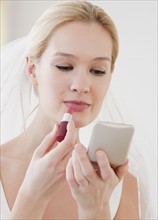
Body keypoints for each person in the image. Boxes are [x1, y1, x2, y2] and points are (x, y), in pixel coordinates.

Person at [0, 1, 140, 219]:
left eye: (97, 70)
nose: (82, 85)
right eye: (64, 66)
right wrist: (32, 196)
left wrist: (96, 210)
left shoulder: (119, 186)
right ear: (32, 69)